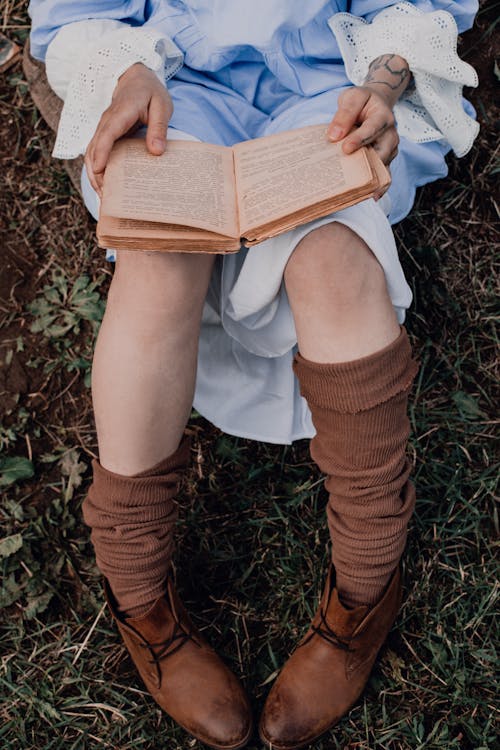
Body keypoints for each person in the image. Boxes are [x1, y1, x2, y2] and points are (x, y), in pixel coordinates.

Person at [27, 2, 479, 748]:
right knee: (159, 257)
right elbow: (79, 12)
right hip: (174, 83)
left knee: (333, 256)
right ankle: (142, 599)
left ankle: (364, 591)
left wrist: (384, 82)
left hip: (328, 83)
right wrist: (128, 72)